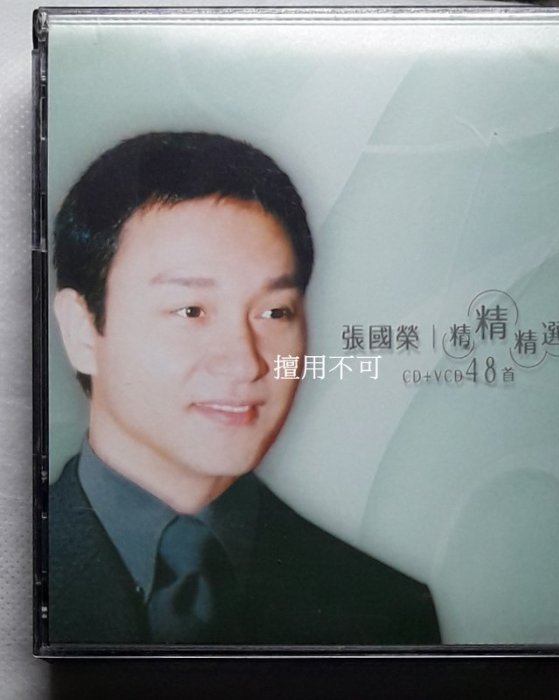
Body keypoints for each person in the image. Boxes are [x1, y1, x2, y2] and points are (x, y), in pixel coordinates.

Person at [49, 132, 440, 646]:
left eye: (274, 313)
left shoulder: (386, 610)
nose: (245, 361)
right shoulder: (22, 570)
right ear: (81, 331)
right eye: (191, 311)